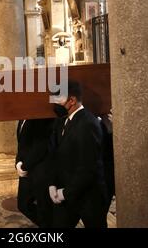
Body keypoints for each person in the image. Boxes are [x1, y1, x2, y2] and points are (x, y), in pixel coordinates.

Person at [47, 80, 109, 228]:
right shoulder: (63, 122)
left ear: (72, 100)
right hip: (68, 195)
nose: (55, 106)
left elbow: (88, 167)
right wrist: (52, 183)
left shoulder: (88, 124)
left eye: (57, 101)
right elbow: (58, 157)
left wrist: (65, 193)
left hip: (89, 198)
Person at [16, 118, 54, 227]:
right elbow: (21, 144)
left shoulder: (42, 118)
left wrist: (24, 166)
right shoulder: (21, 118)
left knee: (44, 210)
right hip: (25, 169)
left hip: (40, 171)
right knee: (23, 205)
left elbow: (41, 146)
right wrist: (18, 162)